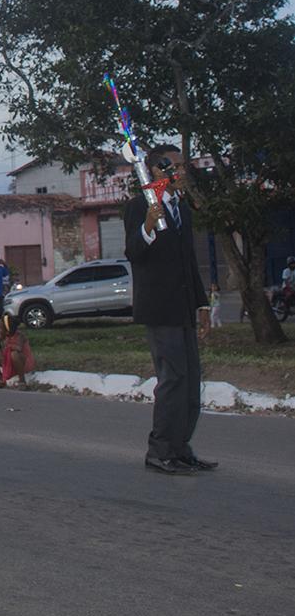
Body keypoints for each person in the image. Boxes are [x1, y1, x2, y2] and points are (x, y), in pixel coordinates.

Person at [124, 149, 216, 475]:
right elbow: (134, 252)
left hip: (183, 308)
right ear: (155, 170)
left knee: (191, 383)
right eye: (173, 166)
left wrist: (202, 305)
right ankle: (159, 451)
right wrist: (148, 227)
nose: (179, 171)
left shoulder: (181, 210)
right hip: (159, 309)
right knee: (172, 380)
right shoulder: (140, 206)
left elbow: (188, 262)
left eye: (181, 166)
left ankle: (180, 449)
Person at [0, 313, 35, 388]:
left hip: (22, 363)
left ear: (7, 331)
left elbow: (19, 348)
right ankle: (1, 379)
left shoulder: (19, 336)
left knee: (14, 354)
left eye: (0, 328)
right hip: (8, 361)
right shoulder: (2, 336)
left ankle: (22, 381)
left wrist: (8, 346)